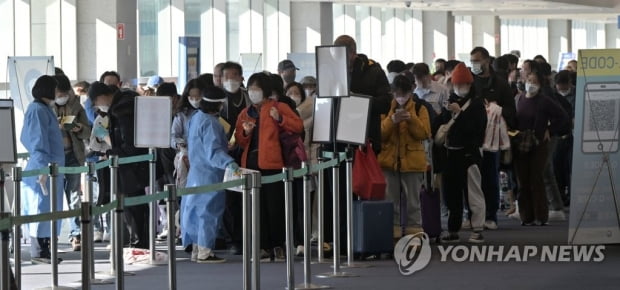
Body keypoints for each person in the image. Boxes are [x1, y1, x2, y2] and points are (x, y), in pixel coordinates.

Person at [235, 72, 304, 261]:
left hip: (273, 165)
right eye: (250, 89)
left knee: (276, 208)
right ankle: (261, 246)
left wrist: (280, 118)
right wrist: (245, 132)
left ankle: (278, 245)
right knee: (256, 209)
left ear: (265, 91)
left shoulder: (278, 107)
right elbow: (239, 140)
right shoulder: (245, 112)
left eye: (256, 89)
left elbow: (298, 127)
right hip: (250, 166)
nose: (252, 93)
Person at [89, 81, 150, 248]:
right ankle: (139, 242)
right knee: (135, 205)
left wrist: (111, 152)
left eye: (96, 102)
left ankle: (139, 243)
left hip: (130, 164)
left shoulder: (123, 111)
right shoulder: (125, 104)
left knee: (133, 204)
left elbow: (128, 143)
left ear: (102, 97)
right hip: (134, 162)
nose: (97, 107)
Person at [181, 86, 237, 263]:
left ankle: (197, 249)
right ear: (219, 105)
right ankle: (205, 252)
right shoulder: (212, 123)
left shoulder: (195, 118)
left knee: (195, 212)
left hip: (196, 173)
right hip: (210, 174)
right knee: (209, 213)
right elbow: (213, 152)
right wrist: (229, 162)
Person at [438, 63, 487, 243]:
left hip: (469, 154)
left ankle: (478, 228)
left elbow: (477, 131)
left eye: (463, 85)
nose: (459, 88)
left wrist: (460, 115)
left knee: (473, 193)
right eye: (456, 85)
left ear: (470, 85)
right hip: (451, 155)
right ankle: (453, 228)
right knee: (451, 194)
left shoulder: (477, 105)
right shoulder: (449, 102)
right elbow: (441, 125)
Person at [514, 70, 569, 226]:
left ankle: (541, 216)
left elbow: (563, 117)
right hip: (521, 144)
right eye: (529, 80)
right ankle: (526, 216)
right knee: (522, 180)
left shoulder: (544, 100)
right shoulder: (519, 99)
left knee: (536, 178)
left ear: (540, 85)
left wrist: (550, 130)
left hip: (539, 143)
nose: (531, 83)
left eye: (534, 81)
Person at [379, 75, 431, 239]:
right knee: (391, 202)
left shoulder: (420, 108)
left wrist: (411, 119)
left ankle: (414, 235)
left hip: (413, 163)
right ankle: (392, 235)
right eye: (397, 93)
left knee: (413, 204)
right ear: (392, 92)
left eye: (404, 93)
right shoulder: (385, 108)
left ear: (411, 91)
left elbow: (424, 133)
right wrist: (391, 120)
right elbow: (379, 134)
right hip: (389, 162)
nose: (401, 97)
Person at [470, 46, 516, 230]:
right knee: (472, 178)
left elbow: (512, 111)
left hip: (493, 138)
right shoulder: (469, 81)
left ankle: (491, 216)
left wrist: (498, 110)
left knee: (490, 177)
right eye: (472, 61)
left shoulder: (500, 84)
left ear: (487, 61)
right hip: (472, 137)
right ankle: (472, 214)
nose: (474, 64)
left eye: (477, 60)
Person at [21, 75, 65, 264]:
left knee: (50, 208)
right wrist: (42, 168)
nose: (58, 93)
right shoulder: (38, 109)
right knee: (40, 208)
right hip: (44, 167)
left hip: (52, 167)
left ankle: (45, 248)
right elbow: (37, 140)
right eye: (56, 89)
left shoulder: (45, 109)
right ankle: (39, 250)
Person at [52, 74, 92, 251]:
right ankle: (51, 236)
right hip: (54, 158)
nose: (62, 96)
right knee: (55, 197)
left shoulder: (76, 106)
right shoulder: (45, 107)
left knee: (74, 195)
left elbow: (87, 131)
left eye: (64, 92)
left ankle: (76, 235)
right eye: (59, 93)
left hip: (73, 155)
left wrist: (78, 127)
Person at [552, 70, 575, 207]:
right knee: (557, 168)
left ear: (570, 84)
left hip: (572, 135)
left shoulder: (578, 94)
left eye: (565, 89)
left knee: (570, 167)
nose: (562, 91)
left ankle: (571, 195)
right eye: (559, 88)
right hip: (557, 136)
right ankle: (560, 196)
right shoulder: (552, 96)